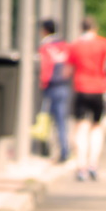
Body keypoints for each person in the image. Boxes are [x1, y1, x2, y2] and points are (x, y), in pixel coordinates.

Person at [67, 16, 106, 181]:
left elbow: (67, 70)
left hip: (81, 88)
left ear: (80, 28)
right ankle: (93, 164)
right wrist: (105, 73)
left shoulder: (75, 45)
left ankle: (81, 166)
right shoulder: (104, 43)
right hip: (99, 88)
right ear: (95, 28)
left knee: (80, 128)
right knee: (96, 127)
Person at [38, 19, 71, 162]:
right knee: (61, 120)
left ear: (44, 30)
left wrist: (43, 83)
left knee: (46, 118)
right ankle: (64, 149)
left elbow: (45, 66)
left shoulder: (45, 46)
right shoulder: (64, 45)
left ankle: (46, 149)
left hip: (50, 86)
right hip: (63, 86)